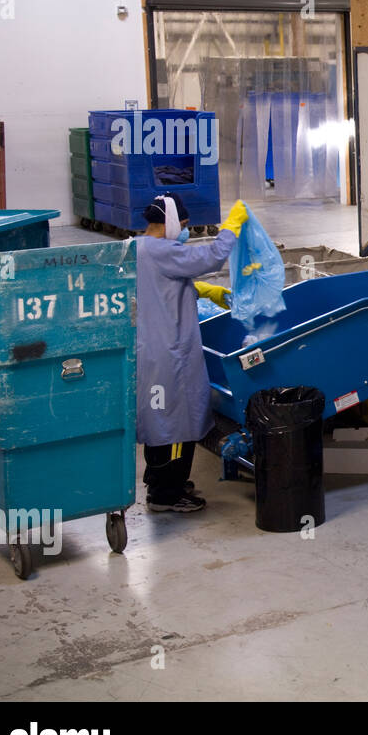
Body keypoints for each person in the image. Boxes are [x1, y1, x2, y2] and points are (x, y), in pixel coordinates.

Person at [137, 193, 249, 513]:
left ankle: (159, 482)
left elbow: (156, 286)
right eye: (184, 225)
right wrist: (230, 228)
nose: (185, 232)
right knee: (176, 425)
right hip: (170, 355)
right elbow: (212, 257)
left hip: (150, 352)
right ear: (170, 222)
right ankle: (166, 495)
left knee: (158, 420)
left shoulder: (137, 247)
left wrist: (200, 290)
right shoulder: (163, 250)